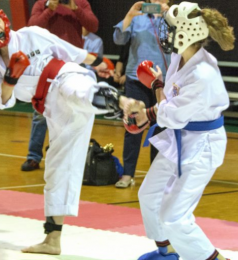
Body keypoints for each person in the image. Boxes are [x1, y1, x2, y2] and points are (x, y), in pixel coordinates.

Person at [0, 4, 124, 254]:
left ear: (4, 19)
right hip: (52, 108)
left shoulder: (31, 34)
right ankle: (52, 239)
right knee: (57, 168)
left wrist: (102, 63)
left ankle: (122, 103)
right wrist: (10, 79)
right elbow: (3, 101)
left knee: (76, 91)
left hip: (65, 76)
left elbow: (72, 52)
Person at [121, 2, 235, 260]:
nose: (165, 34)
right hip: (180, 136)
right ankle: (167, 252)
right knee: (149, 195)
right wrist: (159, 85)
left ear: (187, 32)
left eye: (170, 29)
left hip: (202, 145)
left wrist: (146, 114)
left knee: (174, 216)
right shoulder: (179, 58)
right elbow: (170, 104)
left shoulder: (203, 74)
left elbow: (171, 114)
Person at [21, 0, 99, 171]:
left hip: (75, 63)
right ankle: (33, 156)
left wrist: (75, 9)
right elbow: (32, 26)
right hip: (48, 64)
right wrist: (50, 9)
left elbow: (93, 25)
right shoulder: (42, 3)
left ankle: (74, 156)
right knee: (41, 111)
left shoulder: (80, 2)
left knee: (77, 110)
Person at [113, 0, 171, 188]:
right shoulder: (137, 17)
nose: (155, 1)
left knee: (160, 128)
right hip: (135, 79)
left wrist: (169, 16)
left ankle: (156, 176)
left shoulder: (173, 17)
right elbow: (119, 40)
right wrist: (129, 15)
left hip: (161, 80)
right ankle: (128, 174)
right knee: (132, 127)